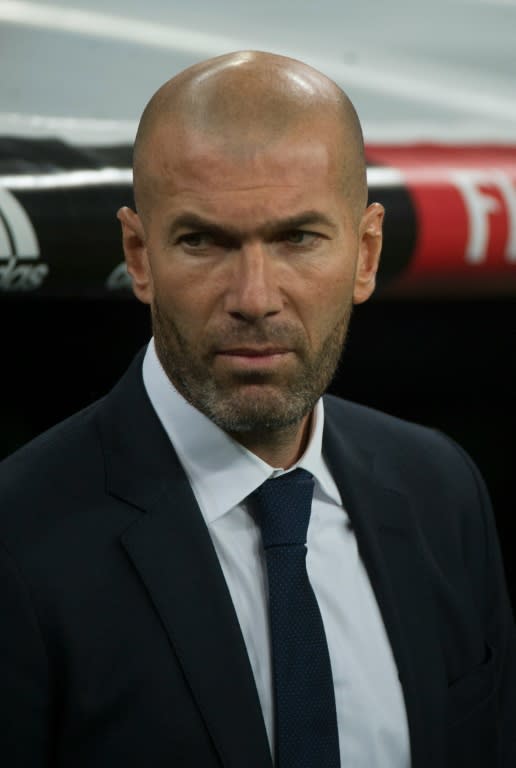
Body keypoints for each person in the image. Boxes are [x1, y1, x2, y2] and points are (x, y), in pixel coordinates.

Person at [0, 50, 514, 768]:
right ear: (139, 256)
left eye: (297, 238)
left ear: (365, 254)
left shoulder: (441, 488)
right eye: (204, 241)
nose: (254, 297)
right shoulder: (17, 542)